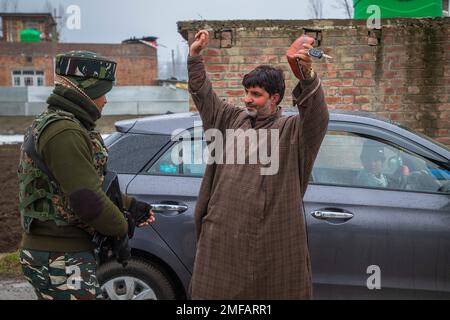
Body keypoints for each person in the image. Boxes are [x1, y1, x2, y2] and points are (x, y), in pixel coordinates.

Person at [188, 30, 329, 299]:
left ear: (274, 98)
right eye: (246, 92)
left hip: (271, 243)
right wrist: (195, 57)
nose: (247, 99)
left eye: (256, 94)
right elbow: (204, 97)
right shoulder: (231, 119)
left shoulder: (291, 131)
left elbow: (317, 117)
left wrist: (307, 77)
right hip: (222, 242)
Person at [17, 51, 155, 300]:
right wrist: (122, 227)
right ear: (86, 93)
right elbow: (87, 200)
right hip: (60, 255)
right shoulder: (64, 131)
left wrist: (131, 206)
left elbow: (82, 184)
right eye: (102, 93)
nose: (105, 101)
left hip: (60, 254)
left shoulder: (64, 125)